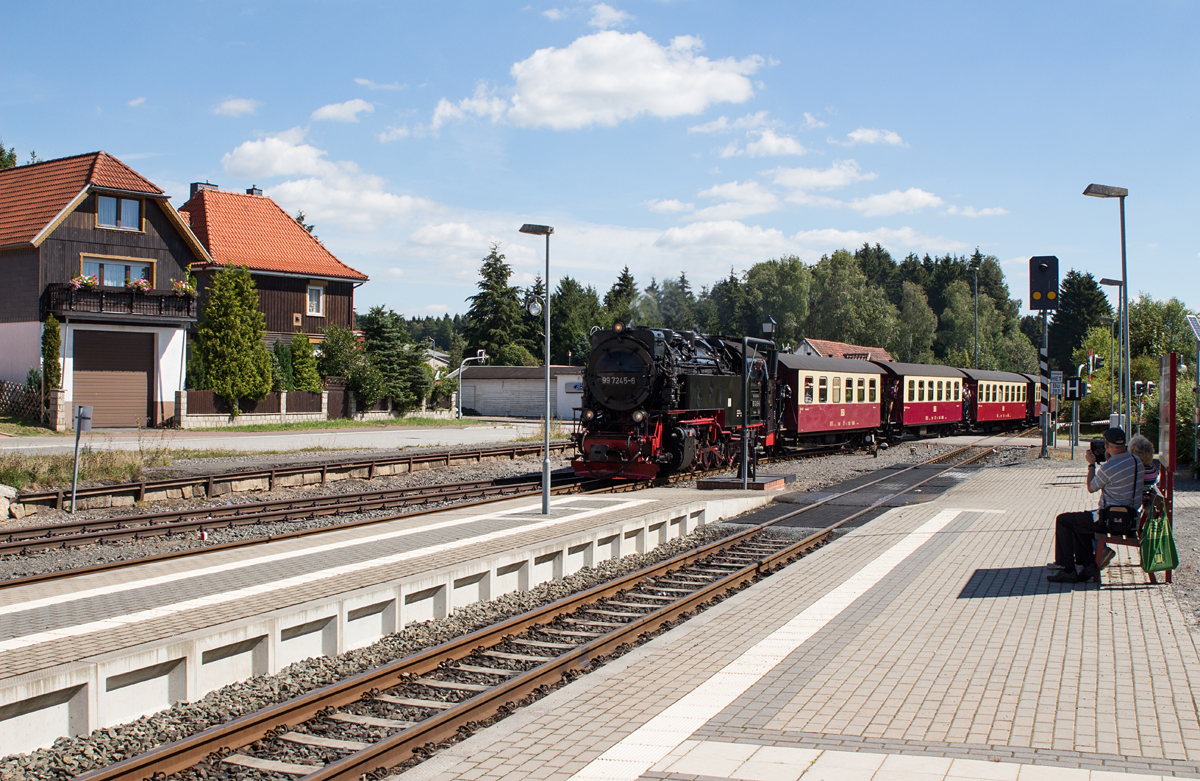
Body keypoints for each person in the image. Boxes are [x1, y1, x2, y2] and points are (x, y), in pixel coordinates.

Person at [1046, 426, 1143, 583]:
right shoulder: (1136, 461)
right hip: (1131, 519)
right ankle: (1088, 565)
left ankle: (1067, 569)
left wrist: (1091, 464)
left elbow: (1091, 487)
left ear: (1106, 444)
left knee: (1064, 520)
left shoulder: (1109, 467)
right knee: (1081, 521)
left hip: (1111, 520)